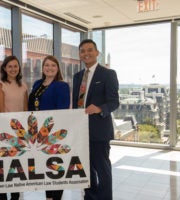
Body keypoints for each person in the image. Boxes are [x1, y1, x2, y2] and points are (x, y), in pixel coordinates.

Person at [72, 39, 119, 200]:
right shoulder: (77, 76)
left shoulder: (108, 74)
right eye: (83, 51)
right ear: (79, 55)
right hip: (81, 131)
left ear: (97, 53)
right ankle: (90, 197)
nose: (86, 53)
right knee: (86, 170)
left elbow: (114, 102)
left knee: (102, 170)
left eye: (90, 50)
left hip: (99, 131)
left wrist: (99, 109)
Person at [28, 55, 70, 200]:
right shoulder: (37, 83)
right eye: (47, 65)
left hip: (53, 134)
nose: (49, 68)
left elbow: (62, 111)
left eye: (53, 65)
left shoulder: (62, 86)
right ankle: (48, 197)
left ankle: (56, 197)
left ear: (57, 68)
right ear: (43, 67)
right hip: (38, 134)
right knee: (45, 166)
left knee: (56, 167)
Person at [0, 55, 28, 200]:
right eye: (10, 66)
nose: (13, 69)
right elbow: (1, 111)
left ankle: (15, 196)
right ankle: (2, 196)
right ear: (4, 68)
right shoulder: (0, 84)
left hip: (20, 132)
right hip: (5, 130)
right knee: (3, 165)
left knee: (16, 166)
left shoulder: (23, 85)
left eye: (15, 66)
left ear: (19, 68)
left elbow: (26, 110)